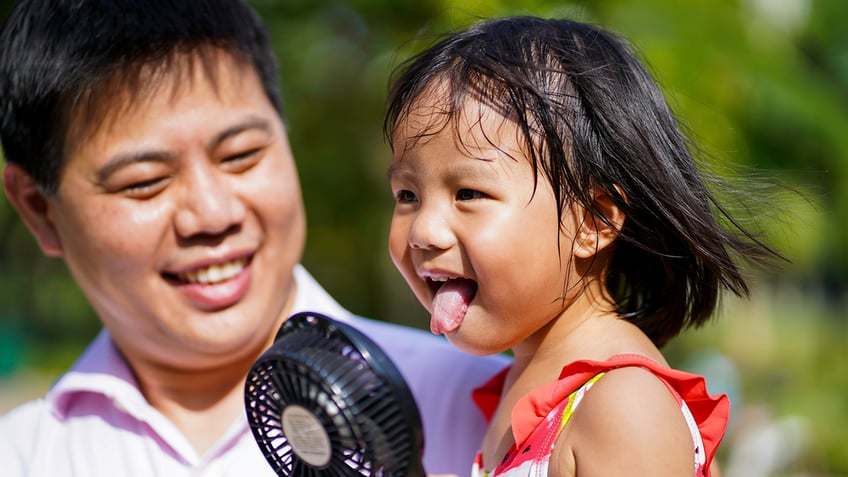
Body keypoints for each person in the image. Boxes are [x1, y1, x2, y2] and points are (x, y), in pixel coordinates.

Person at [0, 1, 510, 475]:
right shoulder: (22, 456)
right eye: (144, 182)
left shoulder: (486, 405)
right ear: (39, 210)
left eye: (241, 154)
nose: (212, 213)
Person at [384, 16, 782, 477]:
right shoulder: (515, 386)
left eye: (469, 194)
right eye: (407, 196)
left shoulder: (622, 406)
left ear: (592, 220)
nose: (423, 231)